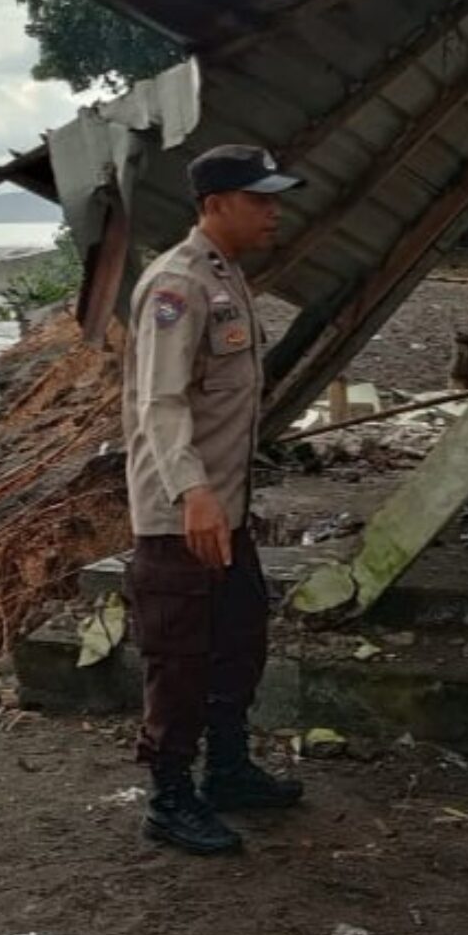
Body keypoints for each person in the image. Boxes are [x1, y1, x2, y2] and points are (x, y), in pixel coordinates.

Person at [123, 144, 305, 855]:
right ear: (215, 204)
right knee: (180, 659)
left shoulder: (226, 274)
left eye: (275, 199)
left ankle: (226, 770)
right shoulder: (177, 285)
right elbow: (160, 403)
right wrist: (193, 492)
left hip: (224, 510)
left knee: (238, 643)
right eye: (259, 199)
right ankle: (169, 797)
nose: (273, 212)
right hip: (181, 514)